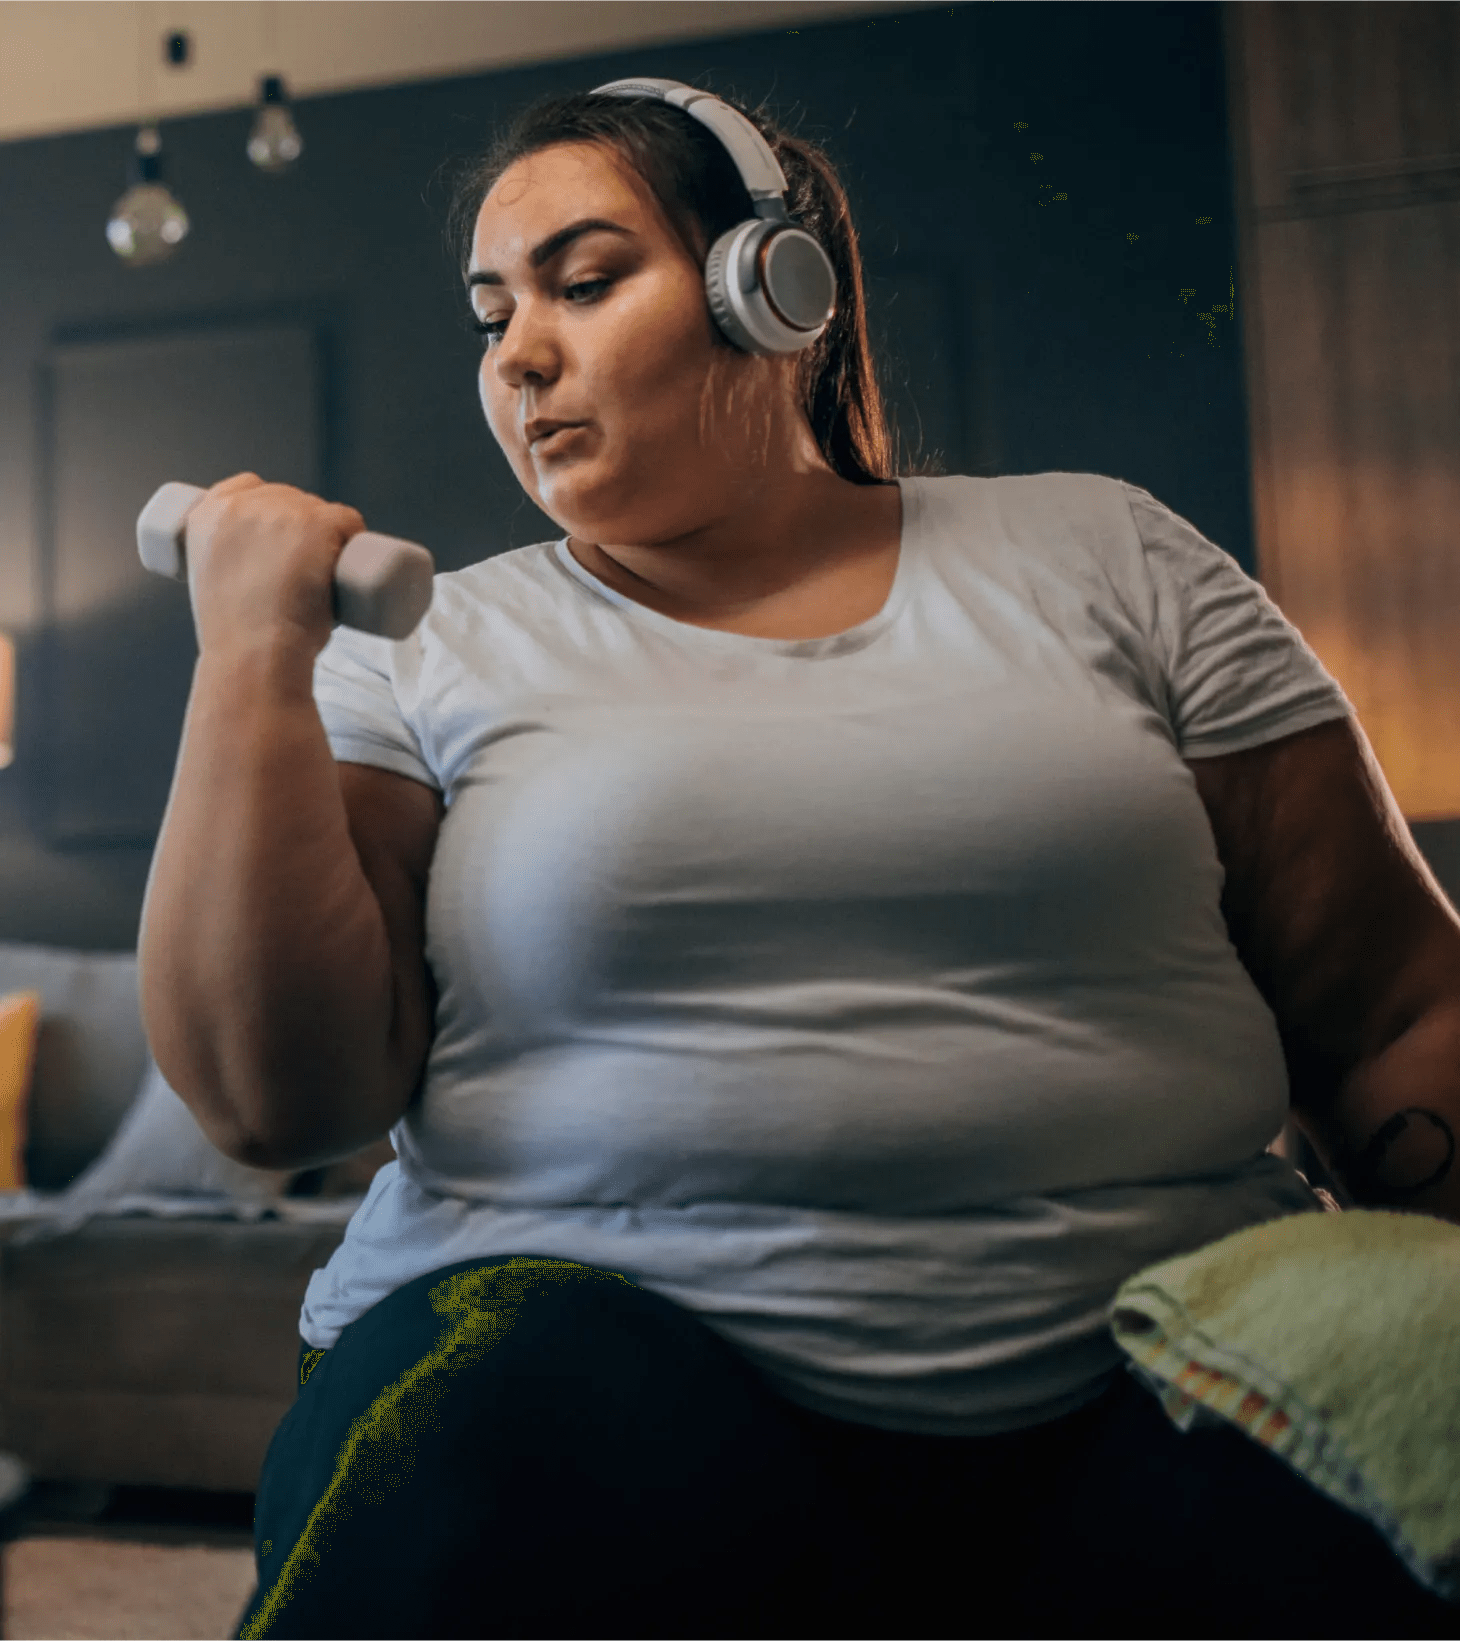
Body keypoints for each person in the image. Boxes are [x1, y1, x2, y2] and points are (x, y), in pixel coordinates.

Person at [135, 81, 1460, 1641]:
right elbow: (269, 1099)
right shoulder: (425, 649)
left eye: (582, 280)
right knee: (497, 1407)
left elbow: (1386, 1013)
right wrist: (248, 655)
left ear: (778, 290)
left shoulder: (1111, 555)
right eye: (493, 314)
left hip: (1143, 1392)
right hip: (597, 1411)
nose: (520, 356)